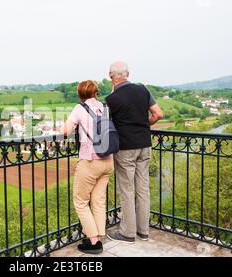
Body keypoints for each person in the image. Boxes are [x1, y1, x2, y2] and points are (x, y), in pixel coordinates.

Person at [105, 61, 164, 243]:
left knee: (127, 190)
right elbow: (158, 114)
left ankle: (128, 233)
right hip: (145, 145)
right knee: (143, 189)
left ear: (110, 77)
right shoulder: (143, 90)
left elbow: (105, 126)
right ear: (128, 73)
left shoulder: (111, 100)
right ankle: (143, 231)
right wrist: (144, 125)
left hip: (125, 148)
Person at [61, 80, 114, 254]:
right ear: (96, 92)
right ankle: (98, 236)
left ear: (80, 94)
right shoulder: (105, 107)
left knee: (81, 201)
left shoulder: (80, 109)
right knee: (98, 200)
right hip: (108, 160)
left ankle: (93, 241)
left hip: (90, 161)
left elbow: (65, 132)